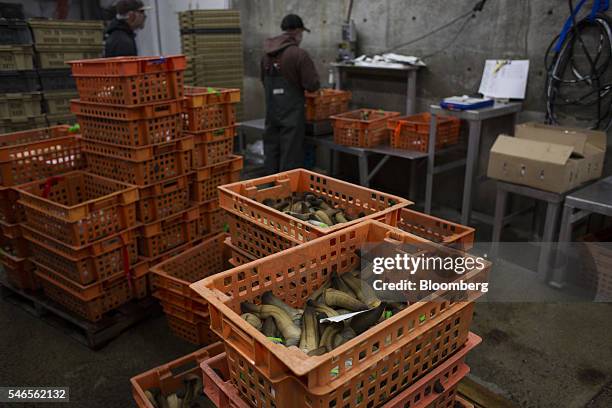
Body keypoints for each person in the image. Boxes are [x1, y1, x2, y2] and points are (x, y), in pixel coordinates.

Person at [260, 14, 320, 174]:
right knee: (290, 154)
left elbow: (263, 81)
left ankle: (269, 190)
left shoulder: (266, 55)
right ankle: (287, 194)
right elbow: (312, 85)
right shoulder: (299, 54)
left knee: (271, 151)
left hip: (272, 112)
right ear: (298, 31)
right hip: (292, 115)